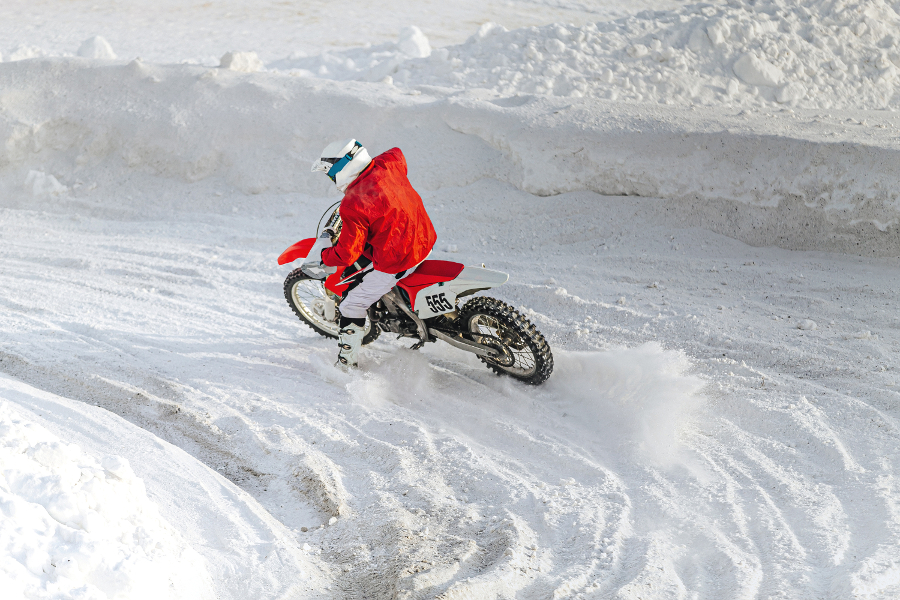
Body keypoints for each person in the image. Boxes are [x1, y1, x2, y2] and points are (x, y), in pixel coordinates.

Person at [305, 139, 436, 369]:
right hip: (424, 237)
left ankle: (347, 363)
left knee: (350, 305)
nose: (331, 180)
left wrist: (325, 256)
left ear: (342, 170)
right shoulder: (389, 164)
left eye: (330, 174)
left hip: (400, 259)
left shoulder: (353, 203)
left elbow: (347, 253)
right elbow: (398, 151)